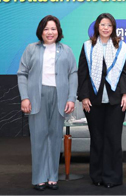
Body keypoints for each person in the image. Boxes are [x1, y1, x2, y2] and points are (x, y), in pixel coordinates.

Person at [17, 15, 78, 191]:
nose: (50, 32)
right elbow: (22, 74)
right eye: (46, 29)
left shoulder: (66, 50)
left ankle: (52, 177)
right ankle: (39, 178)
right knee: (38, 137)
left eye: (53, 29)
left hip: (59, 97)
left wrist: (71, 98)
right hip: (37, 96)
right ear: (41, 31)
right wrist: (25, 97)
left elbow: (73, 74)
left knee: (54, 137)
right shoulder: (31, 49)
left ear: (58, 31)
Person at [77, 13, 126, 189]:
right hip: (93, 100)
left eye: (109, 25)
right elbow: (83, 73)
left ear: (113, 27)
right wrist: (84, 96)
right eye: (102, 24)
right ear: (97, 27)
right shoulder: (88, 46)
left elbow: (125, 73)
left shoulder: (121, 46)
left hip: (116, 100)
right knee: (97, 138)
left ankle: (112, 177)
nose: (106, 28)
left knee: (113, 139)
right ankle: (97, 176)